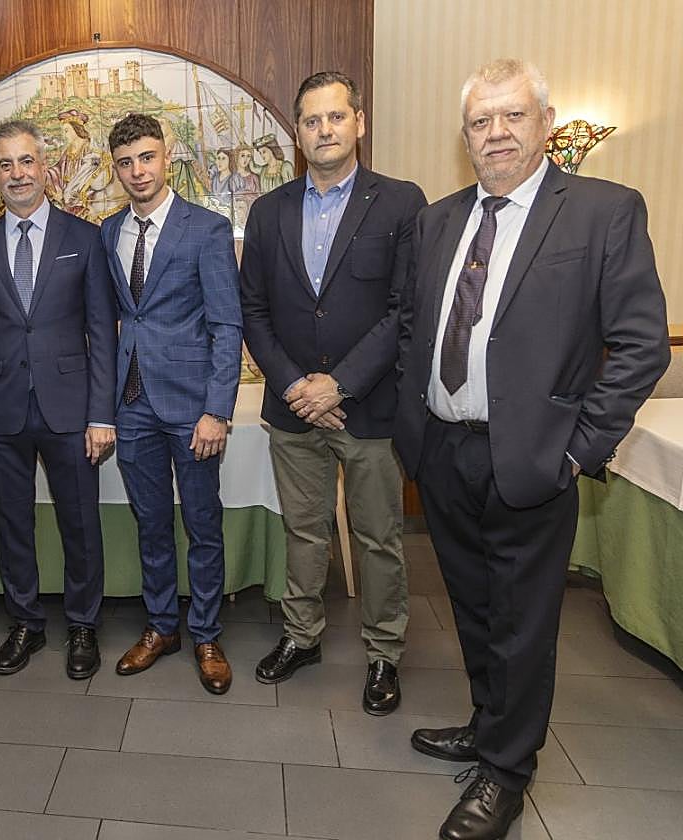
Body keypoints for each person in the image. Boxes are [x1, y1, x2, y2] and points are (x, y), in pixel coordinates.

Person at [395, 59, 668, 840]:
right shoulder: (438, 220)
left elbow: (642, 344)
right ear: (465, 137)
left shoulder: (601, 212)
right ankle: (489, 727)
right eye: (481, 122)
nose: (497, 134)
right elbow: (418, 327)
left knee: (524, 621)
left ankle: (507, 773)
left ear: (545, 123)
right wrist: (417, 431)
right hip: (443, 453)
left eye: (513, 116)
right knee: (474, 609)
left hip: (536, 460)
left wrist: (580, 450)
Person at [240, 71, 426, 716]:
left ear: (359, 122)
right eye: (312, 121)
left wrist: (338, 383)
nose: (324, 131)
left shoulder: (402, 204)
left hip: (368, 407)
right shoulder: (268, 211)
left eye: (335, 118)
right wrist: (296, 385)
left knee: (378, 537)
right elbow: (253, 310)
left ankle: (383, 653)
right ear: (298, 132)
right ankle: (302, 636)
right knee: (304, 531)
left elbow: (405, 311)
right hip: (293, 409)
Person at [0, 119, 117, 679]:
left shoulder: (84, 238)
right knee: (11, 523)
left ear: (44, 168)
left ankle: (82, 625)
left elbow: (103, 331)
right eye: (5, 164)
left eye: (26, 162)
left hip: (71, 409)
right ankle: (24, 620)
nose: (17, 174)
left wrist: (101, 414)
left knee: (80, 522)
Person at [101, 113, 243, 694]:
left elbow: (226, 324)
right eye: (127, 163)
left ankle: (206, 631)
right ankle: (163, 625)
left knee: (202, 523)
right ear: (116, 169)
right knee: (151, 524)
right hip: (131, 404)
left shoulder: (206, 229)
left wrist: (218, 409)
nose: (138, 171)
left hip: (191, 408)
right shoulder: (108, 232)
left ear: (168, 157)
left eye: (147, 158)